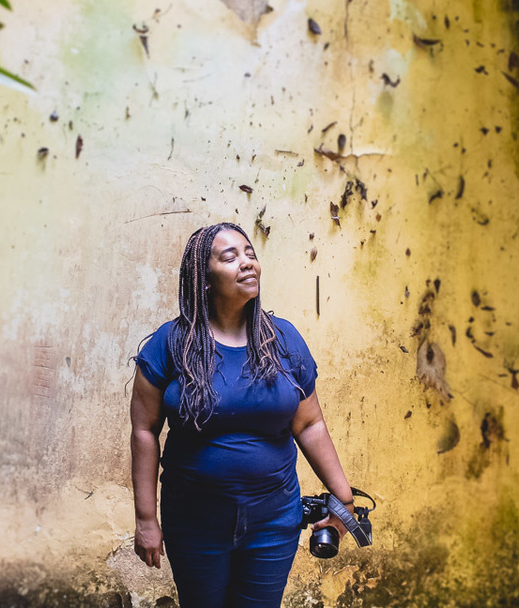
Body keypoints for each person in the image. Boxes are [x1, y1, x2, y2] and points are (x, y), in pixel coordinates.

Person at [130, 222, 357, 608]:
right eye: (230, 256)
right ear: (204, 278)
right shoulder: (171, 344)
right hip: (194, 520)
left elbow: (309, 423)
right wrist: (146, 519)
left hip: (273, 520)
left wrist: (344, 498)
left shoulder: (284, 340)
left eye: (250, 253)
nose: (247, 263)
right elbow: (144, 431)